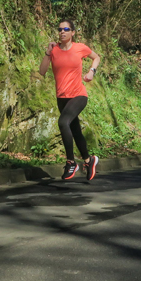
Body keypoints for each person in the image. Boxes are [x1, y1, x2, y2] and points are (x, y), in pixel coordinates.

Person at [38, 20, 101, 180]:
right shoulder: (54, 50)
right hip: (62, 98)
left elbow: (96, 57)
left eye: (66, 29)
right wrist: (47, 52)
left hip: (79, 95)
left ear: (72, 32)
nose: (62, 32)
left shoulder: (80, 47)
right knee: (76, 131)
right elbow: (42, 71)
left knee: (63, 122)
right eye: (60, 29)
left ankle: (71, 162)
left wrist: (92, 71)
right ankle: (89, 160)